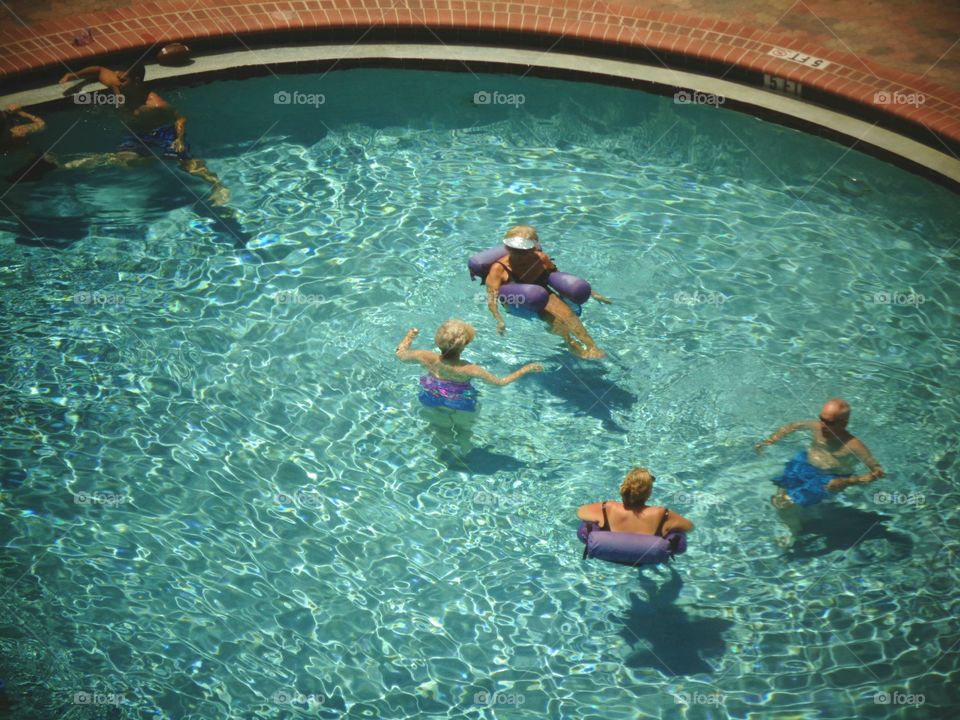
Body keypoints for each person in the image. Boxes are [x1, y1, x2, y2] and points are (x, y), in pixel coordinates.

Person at [58, 63, 229, 205]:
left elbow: (180, 118)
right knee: (126, 162)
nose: (117, 81)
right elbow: (99, 70)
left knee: (186, 163)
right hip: (136, 132)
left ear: (136, 81)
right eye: (118, 77)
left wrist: (179, 139)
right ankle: (157, 159)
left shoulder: (156, 105)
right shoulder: (118, 86)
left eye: (123, 80)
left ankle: (217, 186)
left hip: (161, 132)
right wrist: (72, 76)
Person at [396, 321, 542, 457]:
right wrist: (525, 369)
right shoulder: (470, 369)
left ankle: (440, 455)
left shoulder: (425, 356)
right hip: (461, 404)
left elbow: (400, 355)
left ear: (437, 342)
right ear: (464, 345)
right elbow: (500, 382)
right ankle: (465, 454)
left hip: (432, 397)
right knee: (464, 430)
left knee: (439, 429)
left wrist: (409, 336)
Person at [483, 225, 611, 360]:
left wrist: (592, 293)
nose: (517, 253)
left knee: (567, 313)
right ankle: (569, 342)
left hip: (540, 292)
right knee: (553, 317)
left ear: (532, 248)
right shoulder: (499, 269)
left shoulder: (541, 258)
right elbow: (491, 297)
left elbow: (559, 277)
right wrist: (499, 320)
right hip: (518, 300)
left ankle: (592, 346)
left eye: (523, 250)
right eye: (512, 249)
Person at [756, 398, 885, 508]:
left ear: (843, 424)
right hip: (804, 463)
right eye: (821, 419)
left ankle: (792, 529)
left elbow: (878, 472)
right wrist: (770, 441)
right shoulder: (817, 426)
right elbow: (794, 425)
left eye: (829, 423)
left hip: (828, 477)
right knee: (781, 489)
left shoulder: (854, 446)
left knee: (788, 504)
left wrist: (847, 481)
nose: (822, 425)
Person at [577, 467, 694, 536]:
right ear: (648, 493)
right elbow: (689, 527)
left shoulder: (607, 508)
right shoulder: (660, 514)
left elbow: (580, 512)